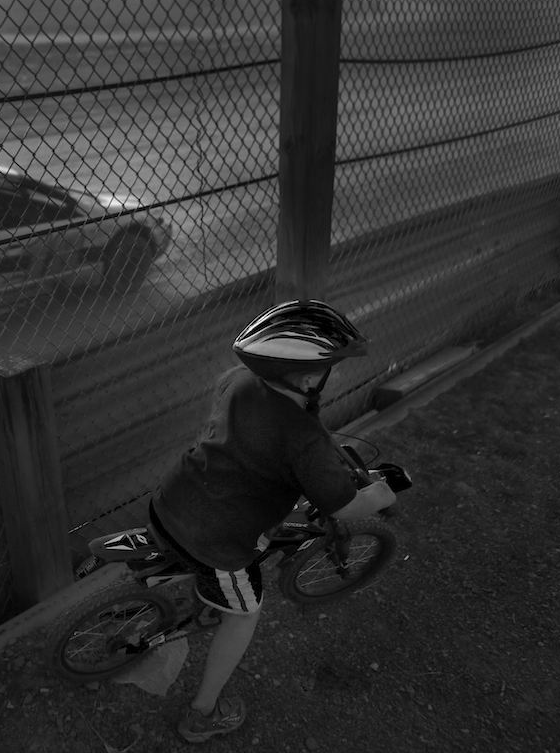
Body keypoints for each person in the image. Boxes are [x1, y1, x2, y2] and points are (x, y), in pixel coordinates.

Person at [148, 299, 398, 744]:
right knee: (245, 614)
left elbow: (268, 430)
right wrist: (381, 492)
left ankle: (207, 598)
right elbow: (342, 506)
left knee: (216, 556)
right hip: (218, 541)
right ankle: (203, 713)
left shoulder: (239, 381)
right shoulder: (303, 441)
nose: (334, 373)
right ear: (306, 378)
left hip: (172, 498)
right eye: (331, 367)